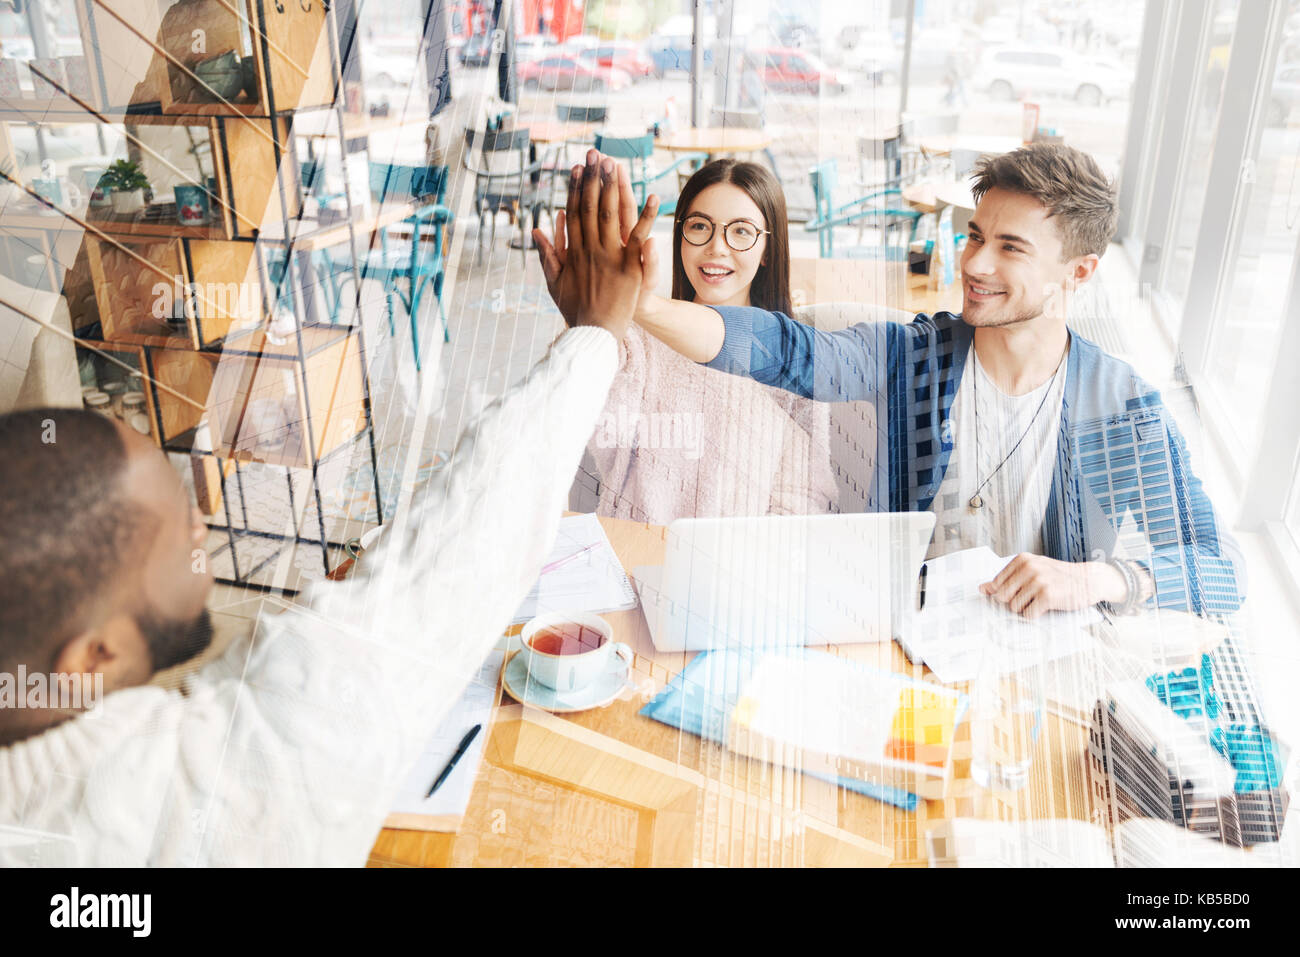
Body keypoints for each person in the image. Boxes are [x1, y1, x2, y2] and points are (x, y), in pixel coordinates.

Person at [0, 153, 652, 865]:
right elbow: (438, 585)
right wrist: (594, 333)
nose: (199, 524)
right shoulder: (181, 795)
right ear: (94, 656)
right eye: (174, 537)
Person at [585, 143, 1246, 620]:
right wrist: (644, 308)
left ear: (1079, 272)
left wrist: (1101, 577)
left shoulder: (1122, 407)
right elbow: (787, 351)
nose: (975, 263)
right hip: (895, 640)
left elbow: (1223, 571)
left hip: (1038, 676)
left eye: (1010, 247)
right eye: (974, 235)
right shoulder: (913, 356)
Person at [534, 159, 836, 523]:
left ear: (768, 249)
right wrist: (586, 323)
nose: (716, 248)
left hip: (742, 570)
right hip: (632, 563)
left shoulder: (794, 359)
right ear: (680, 238)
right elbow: (583, 427)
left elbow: (806, 498)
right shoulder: (636, 342)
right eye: (699, 226)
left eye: (740, 231)